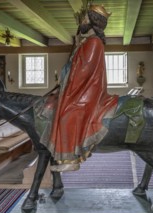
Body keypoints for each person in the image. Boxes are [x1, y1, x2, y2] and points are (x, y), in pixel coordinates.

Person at [47, 4, 118, 172]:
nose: (83, 20)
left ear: (93, 21)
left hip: (89, 91)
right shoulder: (88, 42)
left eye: (86, 18)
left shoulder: (94, 43)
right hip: (84, 88)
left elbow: (83, 71)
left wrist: (68, 72)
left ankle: (72, 160)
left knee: (67, 115)